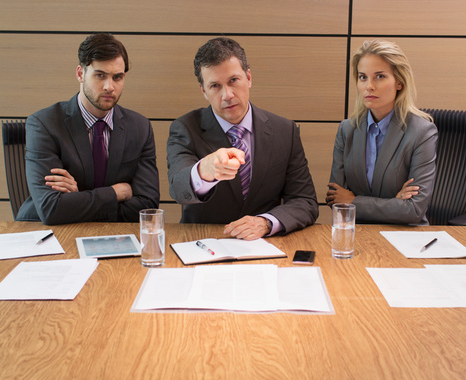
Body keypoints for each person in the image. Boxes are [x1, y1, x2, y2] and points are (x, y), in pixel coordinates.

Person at [166, 37, 318, 239]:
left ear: (248, 78)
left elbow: (304, 201)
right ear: (204, 91)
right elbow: (178, 189)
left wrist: (266, 222)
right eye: (215, 86)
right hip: (204, 244)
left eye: (233, 81)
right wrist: (204, 170)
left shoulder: (284, 131)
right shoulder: (185, 128)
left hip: (265, 246)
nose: (227, 95)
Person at [16, 33, 160, 224]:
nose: (109, 86)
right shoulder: (44, 124)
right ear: (80, 74)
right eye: (100, 75)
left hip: (114, 237)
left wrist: (78, 199)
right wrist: (116, 193)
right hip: (47, 235)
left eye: (117, 77)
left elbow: (146, 207)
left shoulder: (140, 128)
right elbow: (51, 208)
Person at [326, 39, 437, 224]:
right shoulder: (347, 129)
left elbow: (414, 209)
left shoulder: (422, 132)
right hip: (358, 233)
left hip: (405, 236)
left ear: (399, 82)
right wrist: (394, 203)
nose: (369, 86)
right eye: (363, 77)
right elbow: (335, 199)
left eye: (380, 76)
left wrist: (354, 201)